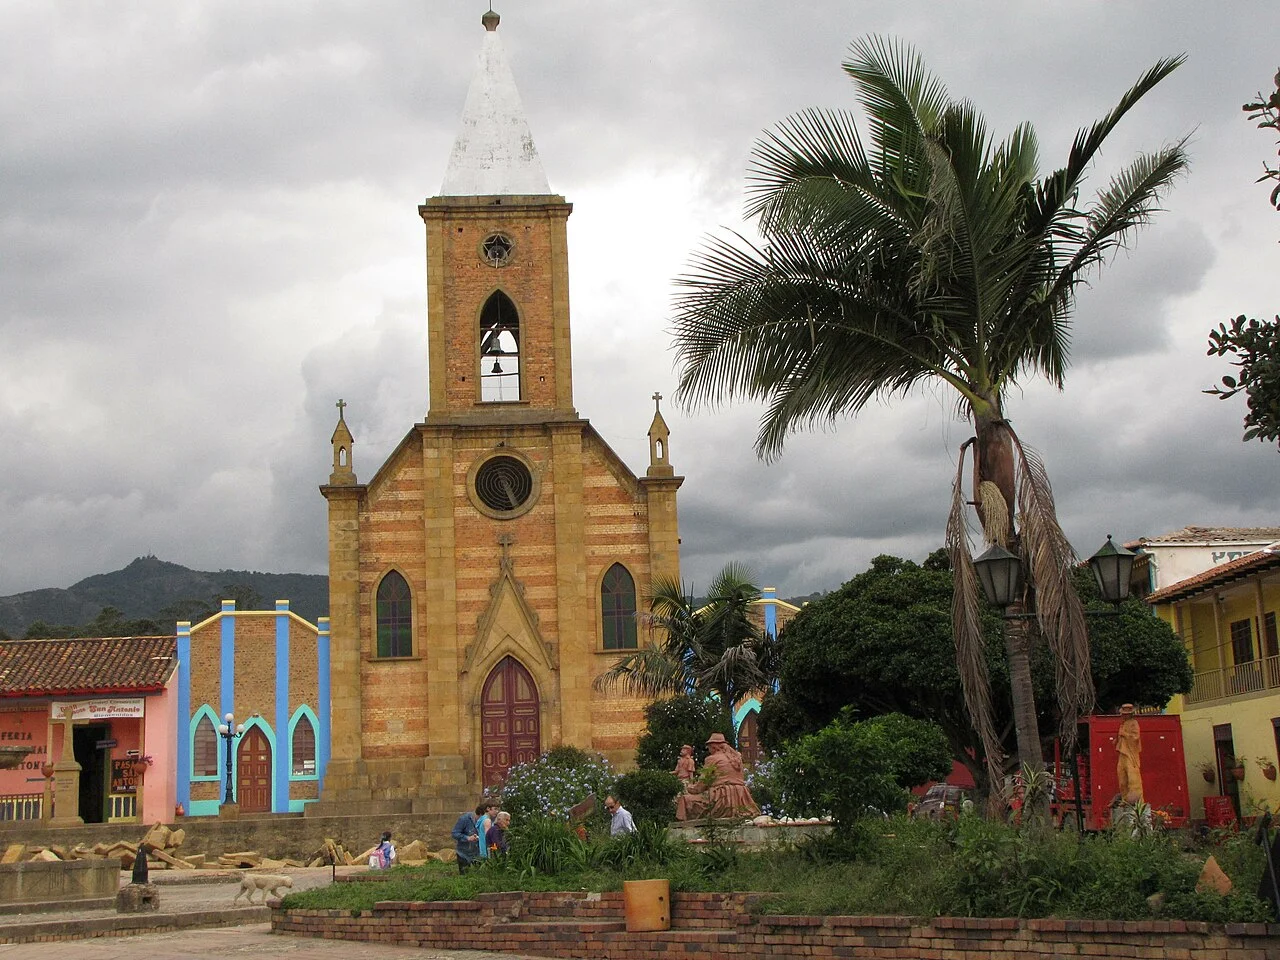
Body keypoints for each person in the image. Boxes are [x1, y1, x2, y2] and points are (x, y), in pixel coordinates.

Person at [702, 732, 760, 819]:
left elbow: (702, 783)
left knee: (686, 801)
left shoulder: (711, 759)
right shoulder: (737, 759)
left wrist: (690, 788)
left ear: (714, 746)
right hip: (742, 798)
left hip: (721, 798)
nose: (708, 749)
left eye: (709, 747)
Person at [1115, 703, 1144, 803]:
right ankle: (1125, 799)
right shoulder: (1122, 724)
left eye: (1126, 714)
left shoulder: (1134, 723)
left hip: (1131, 754)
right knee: (1122, 778)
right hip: (1122, 752)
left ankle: (1137, 802)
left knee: (1133, 778)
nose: (1124, 715)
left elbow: (1135, 737)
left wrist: (1124, 734)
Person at [451, 802, 483, 873]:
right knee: (464, 875)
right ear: (479, 814)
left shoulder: (486, 821)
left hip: (477, 853)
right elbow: (454, 833)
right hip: (464, 853)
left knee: (478, 875)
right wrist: (467, 838)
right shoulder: (464, 819)